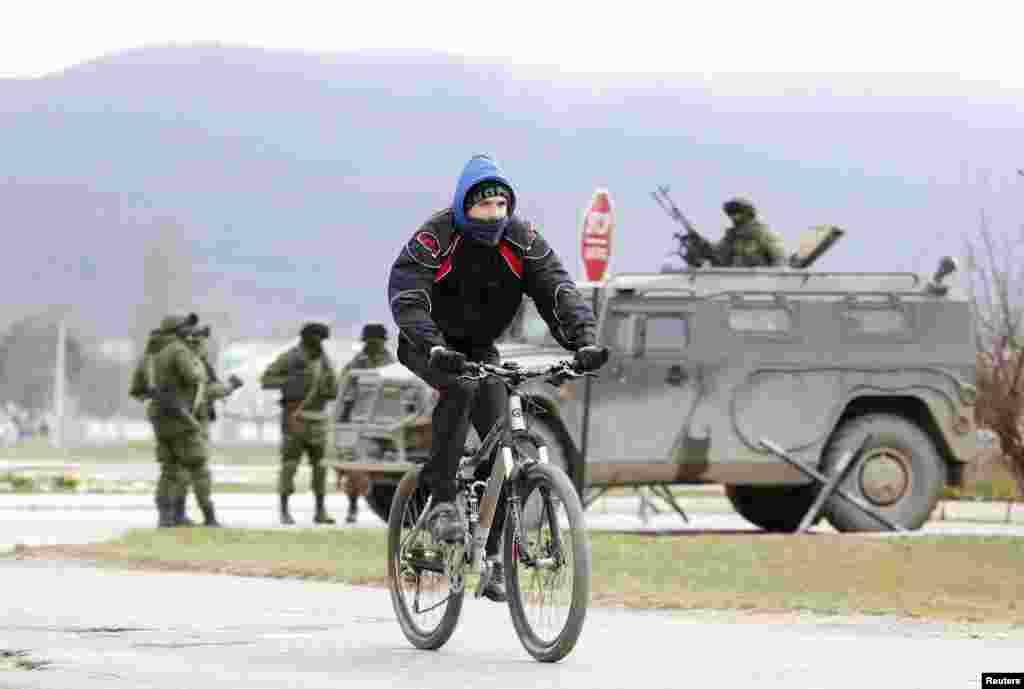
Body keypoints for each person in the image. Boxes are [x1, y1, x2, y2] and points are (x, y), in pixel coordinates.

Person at [387, 154, 608, 602]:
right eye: (483, 207)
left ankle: (491, 561)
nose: (493, 215)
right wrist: (432, 345)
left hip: (481, 349)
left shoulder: (523, 240)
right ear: (464, 205)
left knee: (500, 443)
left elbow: (558, 289)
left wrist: (583, 339)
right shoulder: (435, 237)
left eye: (500, 206)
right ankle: (444, 501)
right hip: (428, 344)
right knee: (461, 387)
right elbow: (408, 295)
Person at [260, 322, 339, 525]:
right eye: (317, 338)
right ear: (306, 338)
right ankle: (284, 511)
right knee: (290, 465)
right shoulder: (290, 357)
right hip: (295, 418)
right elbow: (266, 379)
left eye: (322, 339)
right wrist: (292, 381)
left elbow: (333, 388)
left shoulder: (324, 360)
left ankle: (320, 511)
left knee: (320, 468)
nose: (320, 343)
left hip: (318, 419)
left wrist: (329, 387)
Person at [180, 324, 244, 526]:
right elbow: (208, 390)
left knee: (184, 470)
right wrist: (229, 387)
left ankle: (178, 514)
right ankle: (207, 516)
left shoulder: (190, 362)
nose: (205, 345)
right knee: (198, 470)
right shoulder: (194, 364)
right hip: (195, 423)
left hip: (190, 421)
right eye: (201, 341)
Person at [336, 322, 395, 523]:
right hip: (359, 423)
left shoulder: (394, 364)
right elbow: (343, 394)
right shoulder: (354, 366)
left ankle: (390, 509)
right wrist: (342, 423)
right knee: (354, 467)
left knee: (388, 470)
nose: (371, 345)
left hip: (387, 424)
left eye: (375, 341)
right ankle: (352, 507)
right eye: (369, 342)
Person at [700, 197, 786, 267]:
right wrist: (704, 247)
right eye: (731, 213)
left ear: (748, 213)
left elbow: (779, 260)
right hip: (734, 282)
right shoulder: (731, 237)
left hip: (759, 282)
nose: (733, 217)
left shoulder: (764, 233)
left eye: (737, 212)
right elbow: (718, 257)